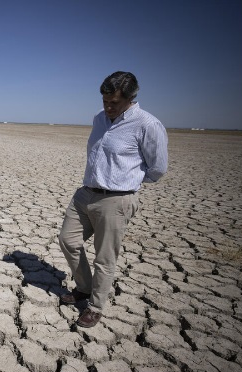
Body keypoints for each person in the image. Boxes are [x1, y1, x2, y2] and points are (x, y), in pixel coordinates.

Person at [58, 71, 168, 328]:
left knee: (104, 257)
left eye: (114, 103)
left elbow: (158, 168)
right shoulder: (99, 118)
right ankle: (84, 287)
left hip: (116, 200)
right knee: (68, 240)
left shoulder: (147, 125)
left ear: (131, 98)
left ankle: (95, 307)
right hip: (85, 194)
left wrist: (127, 185)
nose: (108, 107)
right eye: (105, 101)